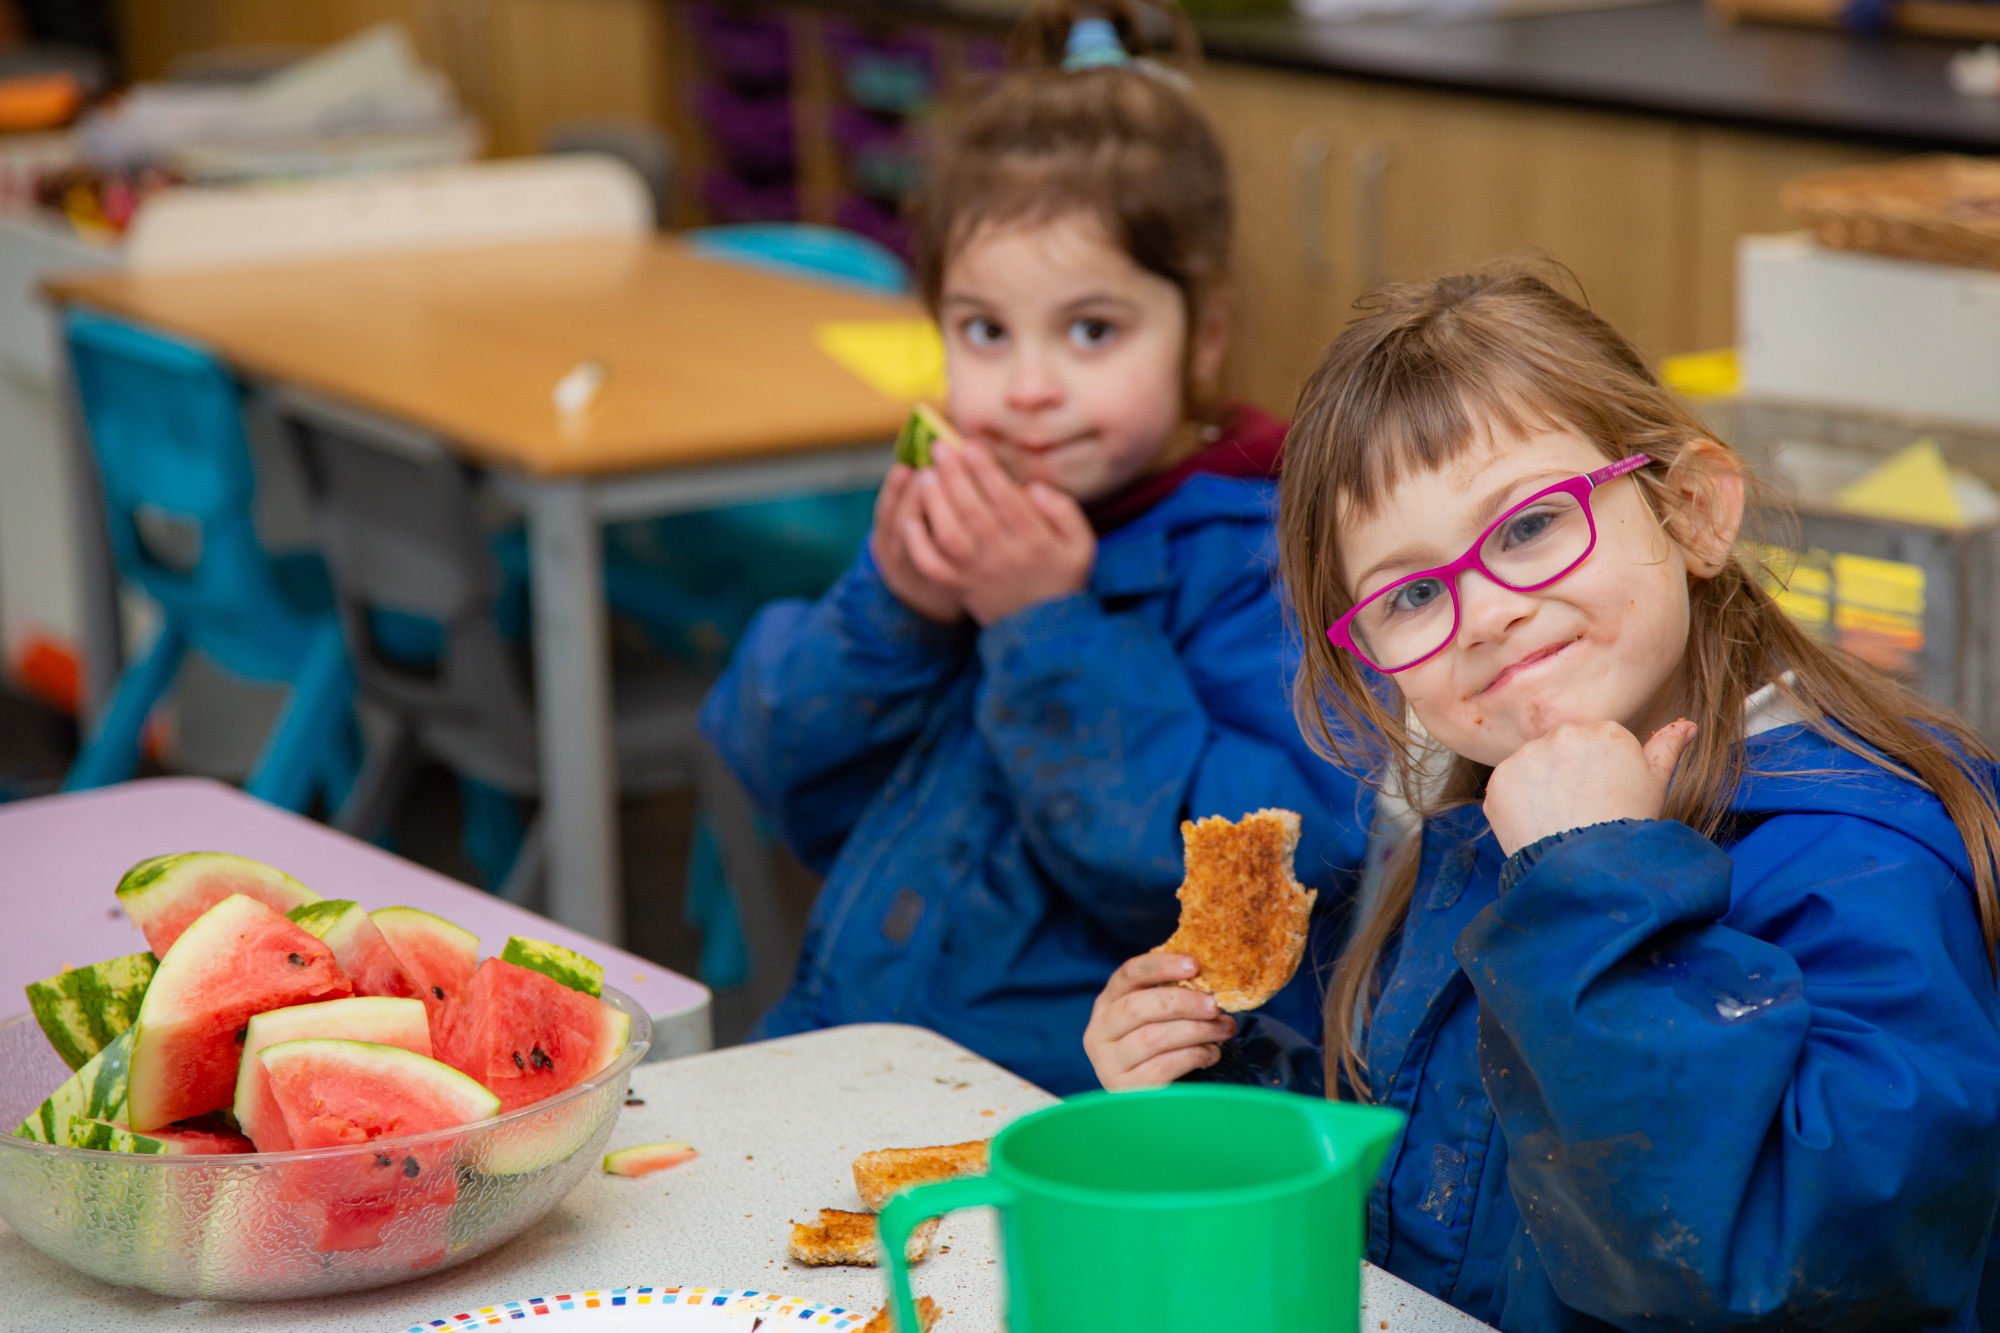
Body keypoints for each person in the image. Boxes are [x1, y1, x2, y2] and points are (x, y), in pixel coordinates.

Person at [1085, 269, 2000, 1329]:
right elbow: (1415, 1185)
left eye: (1526, 527)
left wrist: (1595, 882)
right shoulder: (1462, 825)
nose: (1482, 613)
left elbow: (1791, 1265)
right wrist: (1200, 1082)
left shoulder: (1864, 859)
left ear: (1692, 511)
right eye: (1412, 592)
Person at [698, 0, 1373, 1095]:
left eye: (1091, 330)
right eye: (982, 329)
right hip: (861, 1051)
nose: (1025, 387)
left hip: (1075, 1113)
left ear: (1200, 331)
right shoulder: (971, 522)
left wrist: (1041, 626)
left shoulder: (1264, 559)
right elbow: (778, 772)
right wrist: (895, 606)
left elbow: (1232, 895)